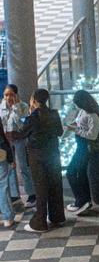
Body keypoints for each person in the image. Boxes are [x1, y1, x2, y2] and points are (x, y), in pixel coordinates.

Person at [10, 89, 64, 233]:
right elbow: (60, 132)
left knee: (41, 188)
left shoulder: (33, 117)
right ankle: (57, 217)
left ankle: (40, 223)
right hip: (53, 154)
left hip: (37, 156)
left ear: (34, 100)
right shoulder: (54, 113)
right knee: (54, 185)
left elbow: (21, 134)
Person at [65, 87, 99, 214]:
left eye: (77, 103)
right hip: (81, 145)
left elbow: (92, 135)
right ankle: (84, 200)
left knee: (71, 172)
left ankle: (81, 200)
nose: (75, 105)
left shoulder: (93, 115)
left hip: (85, 147)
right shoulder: (83, 111)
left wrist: (75, 130)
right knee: (80, 174)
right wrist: (74, 126)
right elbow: (81, 125)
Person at [0, 85, 33, 205]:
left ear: (16, 95)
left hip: (19, 140)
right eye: (6, 95)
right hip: (5, 141)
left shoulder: (23, 106)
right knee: (9, 167)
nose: (8, 97)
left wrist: (15, 108)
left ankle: (31, 194)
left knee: (23, 167)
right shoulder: (1, 107)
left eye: (11, 94)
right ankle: (14, 195)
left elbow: (23, 125)